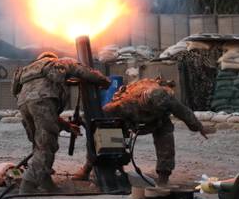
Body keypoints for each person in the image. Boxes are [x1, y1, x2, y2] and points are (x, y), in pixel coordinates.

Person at [75, 78, 211, 185]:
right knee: (109, 138)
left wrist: (199, 127)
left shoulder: (168, 99)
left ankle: (163, 177)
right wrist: (88, 122)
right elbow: (101, 116)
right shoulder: (124, 103)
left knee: (166, 137)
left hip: (158, 122)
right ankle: (89, 168)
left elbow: (184, 113)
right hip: (128, 121)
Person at [12, 51, 111, 194]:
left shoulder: (27, 69)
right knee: (46, 144)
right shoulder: (59, 62)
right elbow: (83, 71)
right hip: (43, 100)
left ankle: (45, 182)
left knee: (39, 143)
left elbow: (42, 110)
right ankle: (28, 184)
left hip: (23, 104)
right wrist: (104, 81)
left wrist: (67, 126)